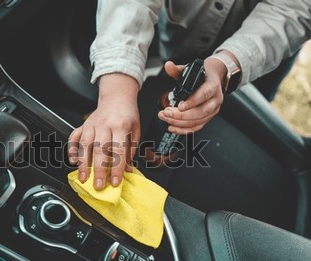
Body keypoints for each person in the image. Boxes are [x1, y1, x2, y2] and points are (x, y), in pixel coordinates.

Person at [68, 0, 311, 190]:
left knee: (246, 119)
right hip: (171, 31)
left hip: (257, 52)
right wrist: (116, 95)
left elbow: (293, 8)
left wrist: (227, 65)